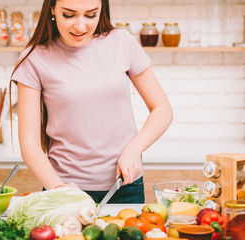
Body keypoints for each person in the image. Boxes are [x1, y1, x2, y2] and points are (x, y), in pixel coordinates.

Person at [10, 0, 173, 203]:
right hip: (63, 188)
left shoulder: (122, 42)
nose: (80, 26)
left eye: (90, 15)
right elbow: (29, 143)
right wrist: (59, 190)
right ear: (51, 9)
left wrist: (135, 148)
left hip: (124, 187)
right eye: (69, 15)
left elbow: (162, 109)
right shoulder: (33, 58)